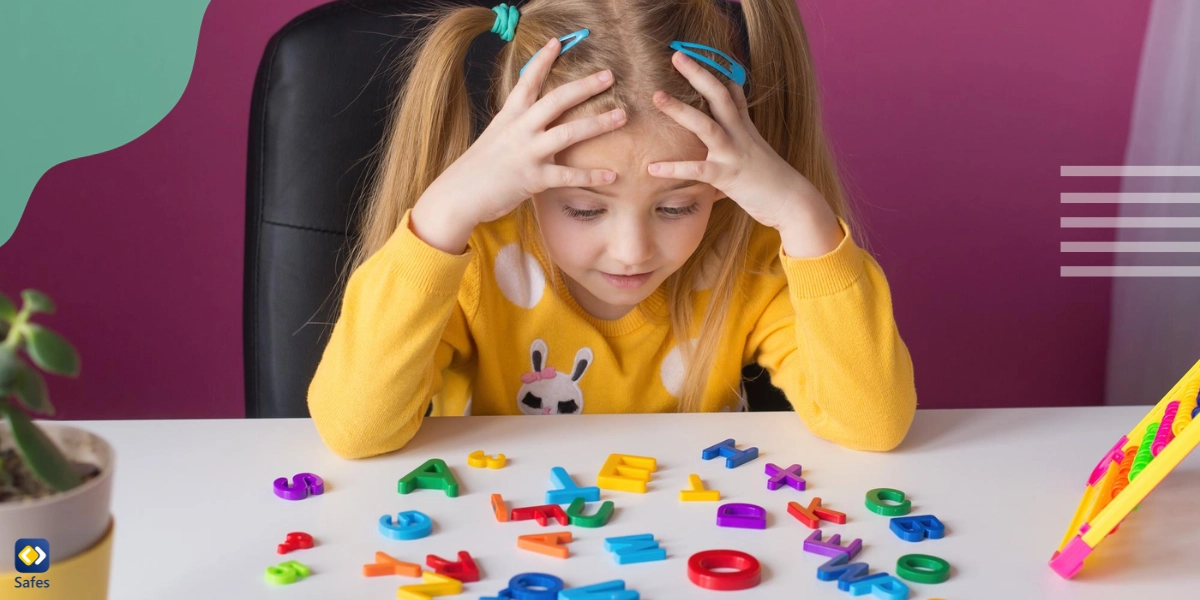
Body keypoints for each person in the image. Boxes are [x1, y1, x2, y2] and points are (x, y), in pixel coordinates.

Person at [308, 0, 917, 459]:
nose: (632, 252)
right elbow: (356, 431)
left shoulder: (746, 257)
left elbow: (873, 424)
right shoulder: (472, 263)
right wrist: (442, 216)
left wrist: (802, 215)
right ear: (520, 178)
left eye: (678, 207)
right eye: (583, 209)